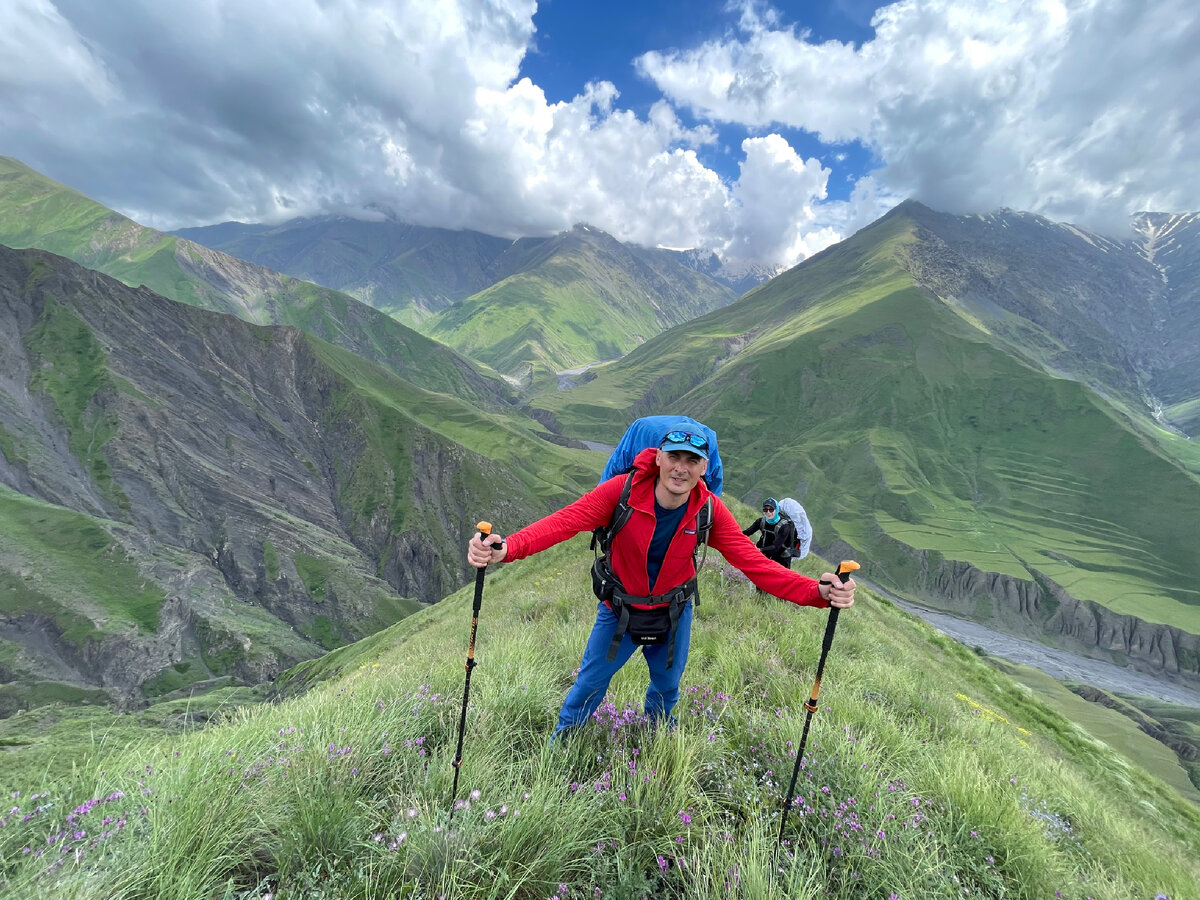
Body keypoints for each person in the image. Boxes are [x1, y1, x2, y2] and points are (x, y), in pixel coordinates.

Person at [467, 424, 857, 738]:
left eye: (692, 460)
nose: (681, 468)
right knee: (588, 687)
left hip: (673, 615)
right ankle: (562, 747)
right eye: (674, 456)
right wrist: (506, 548)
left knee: (666, 690)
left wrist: (818, 592)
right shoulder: (619, 493)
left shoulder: (709, 510)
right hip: (618, 612)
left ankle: (657, 747)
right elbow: (564, 522)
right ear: (658, 457)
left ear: (704, 467)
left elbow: (756, 564)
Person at [743, 498, 797, 568]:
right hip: (764, 554)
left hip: (781, 559)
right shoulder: (761, 521)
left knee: (778, 578)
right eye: (765, 509)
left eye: (771, 509)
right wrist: (731, 534)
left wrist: (759, 550)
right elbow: (747, 532)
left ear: (776, 510)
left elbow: (775, 547)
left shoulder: (785, 527)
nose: (768, 512)